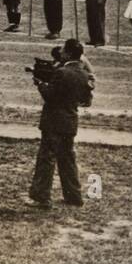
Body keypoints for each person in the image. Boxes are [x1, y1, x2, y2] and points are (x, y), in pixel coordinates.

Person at [29, 38, 94, 209]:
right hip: (70, 121)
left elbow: (50, 95)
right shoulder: (84, 74)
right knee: (68, 159)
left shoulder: (62, 73)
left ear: (69, 53)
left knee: (47, 158)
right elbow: (86, 100)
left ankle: (42, 196)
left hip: (53, 121)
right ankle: (74, 196)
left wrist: (40, 84)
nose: (62, 52)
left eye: (64, 50)